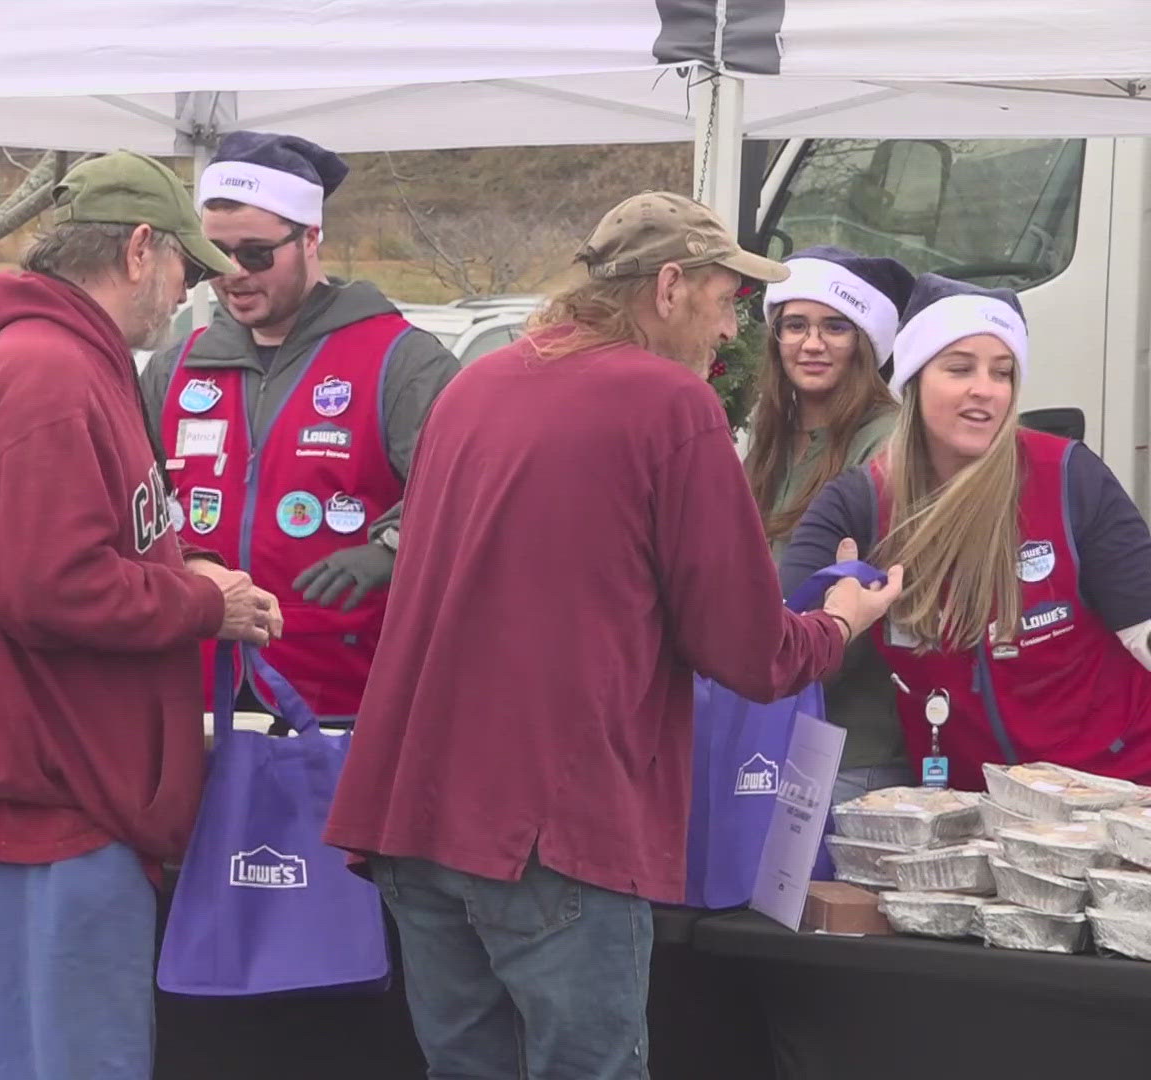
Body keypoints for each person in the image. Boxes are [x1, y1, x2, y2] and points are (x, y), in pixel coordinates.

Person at [323, 192, 902, 1080]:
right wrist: (838, 621)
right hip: (552, 826)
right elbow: (746, 649)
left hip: (414, 811)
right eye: (724, 303)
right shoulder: (668, 401)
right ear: (670, 286)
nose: (729, 332)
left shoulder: (480, 381)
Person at [0, 151, 280, 1080]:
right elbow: (47, 583)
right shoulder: (54, 373)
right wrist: (204, 599)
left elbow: (73, 554)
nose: (187, 294)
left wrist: (179, 565)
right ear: (136, 249)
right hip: (69, 780)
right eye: (185, 268)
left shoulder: (60, 360)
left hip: (50, 771)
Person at [782, 275, 1151, 789]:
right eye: (959, 368)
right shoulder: (860, 502)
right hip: (967, 809)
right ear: (913, 379)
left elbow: (1144, 629)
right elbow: (777, 647)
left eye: (1003, 373)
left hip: (1114, 787)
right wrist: (841, 622)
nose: (985, 388)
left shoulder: (1067, 475)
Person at [141, 131, 459, 722]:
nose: (233, 273)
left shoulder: (402, 360)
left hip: (346, 696)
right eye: (213, 255)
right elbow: (133, 505)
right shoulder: (174, 368)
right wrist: (185, 556)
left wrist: (392, 545)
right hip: (198, 693)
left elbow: (467, 491)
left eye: (257, 253)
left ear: (311, 238)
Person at [746, 246, 918, 801]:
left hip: (851, 745)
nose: (811, 343)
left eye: (835, 327)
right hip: (768, 720)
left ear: (865, 344)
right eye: (795, 325)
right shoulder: (769, 439)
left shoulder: (887, 442)